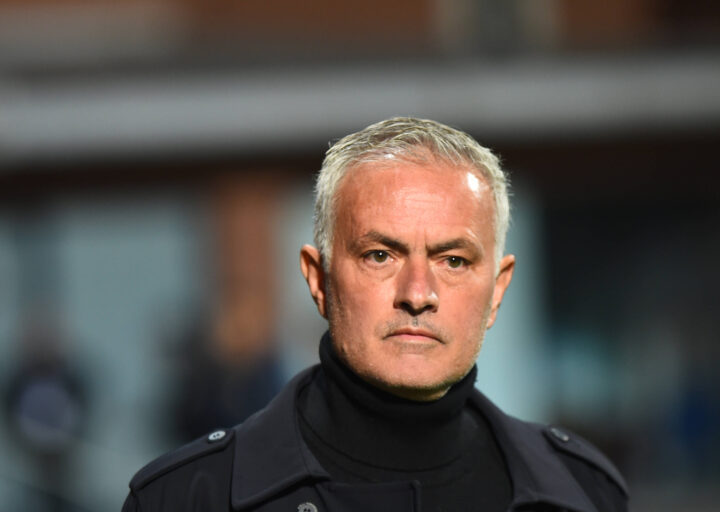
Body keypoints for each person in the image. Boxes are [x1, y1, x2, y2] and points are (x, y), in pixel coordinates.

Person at [122, 117, 628, 511]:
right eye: (380, 256)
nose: (417, 293)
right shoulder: (190, 499)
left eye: (453, 261)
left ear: (497, 291)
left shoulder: (584, 492)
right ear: (319, 280)